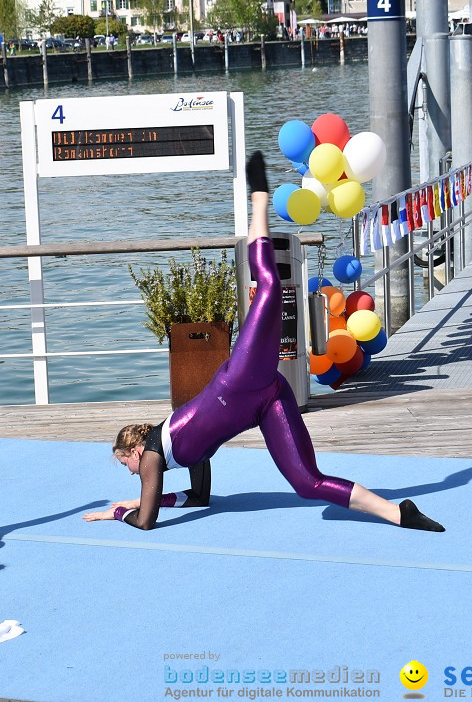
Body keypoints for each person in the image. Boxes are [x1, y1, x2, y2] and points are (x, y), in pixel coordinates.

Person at [84, 152, 445, 533]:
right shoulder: (173, 451)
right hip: (265, 401)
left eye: (127, 464)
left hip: (241, 380)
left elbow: (146, 522)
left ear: (136, 452)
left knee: (269, 288)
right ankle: (399, 512)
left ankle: (258, 196)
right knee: (307, 483)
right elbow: (199, 497)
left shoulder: (155, 454)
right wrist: (145, 500)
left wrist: (122, 511)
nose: (131, 472)